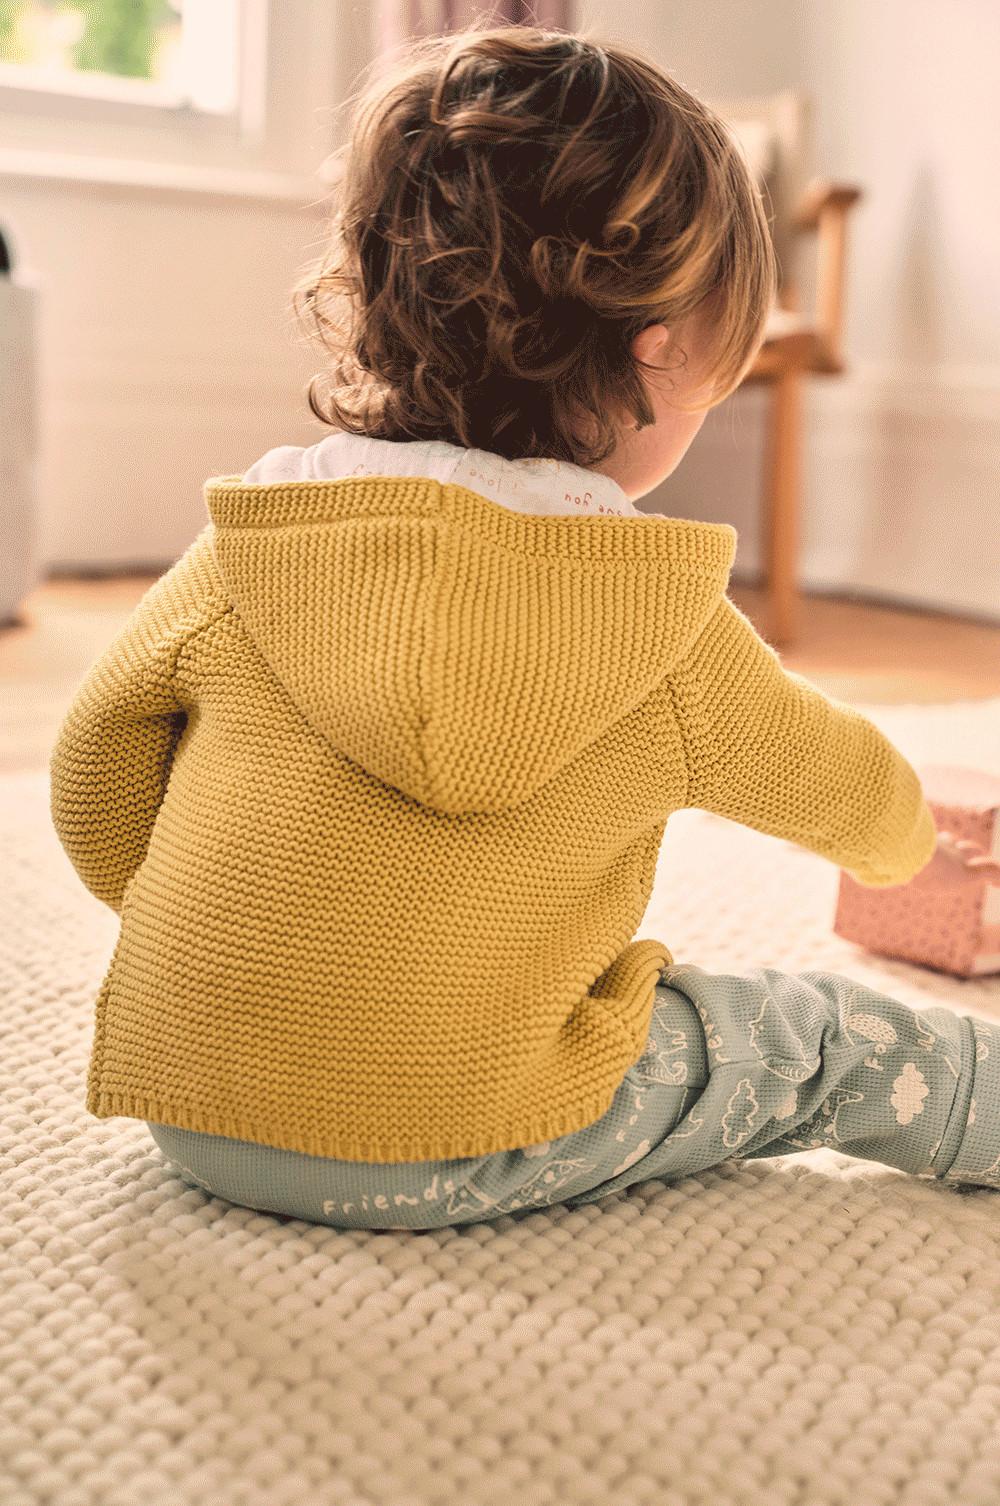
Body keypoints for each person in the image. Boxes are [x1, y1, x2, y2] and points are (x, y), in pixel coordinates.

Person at [49, 21, 1000, 1230]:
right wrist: (913, 845)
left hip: (190, 1103)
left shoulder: (257, 543)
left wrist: (258, 954)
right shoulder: (648, 617)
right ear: (658, 356)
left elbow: (94, 780)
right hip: (453, 1137)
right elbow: (834, 779)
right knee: (813, 1043)